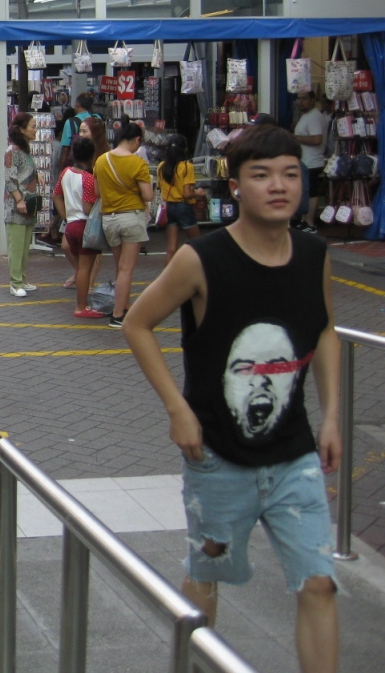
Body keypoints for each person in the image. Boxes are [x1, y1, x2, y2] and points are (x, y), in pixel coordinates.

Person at [123, 126, 340, 673]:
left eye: (290, 174)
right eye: (261, 175)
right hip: (216, 456)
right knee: (206, 581)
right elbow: (137, 323)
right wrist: (177, 409)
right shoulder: (202, 259)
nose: (279, 186)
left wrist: (333, 414)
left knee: (319, 582)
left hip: (294, 455)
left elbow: (326, 329)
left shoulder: (314, 254)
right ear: (236, 186)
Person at [94, 121, 153, 329]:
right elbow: (148, 195)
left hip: (109, 219)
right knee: (127, 269)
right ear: (136, 140)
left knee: (120, 267)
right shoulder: (138, 163)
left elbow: (97, 192)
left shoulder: (101, 160)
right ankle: (118, 315)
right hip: (131, 218)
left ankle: (125, 305)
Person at [53, 136, 103, 317]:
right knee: (84, 269)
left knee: (81, 267)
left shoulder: (65, 172)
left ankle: (82, 305)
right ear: (92, 156)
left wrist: (66, 216)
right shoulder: (88, 178)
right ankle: (81, 306)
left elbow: (56, 195)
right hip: (85, 226)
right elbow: (88, 208)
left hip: (71, 225)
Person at [5, 113, 40, 297]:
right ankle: (15, 282)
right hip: (16, 206)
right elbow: (9, 179)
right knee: (17, 246)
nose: (35, 130)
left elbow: (23, 172)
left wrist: (36, 175)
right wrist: (18, 200)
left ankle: (22, 279)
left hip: (28, 203)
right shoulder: (12, 151)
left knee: (25, 246)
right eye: (32, 126)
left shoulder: (25, 150)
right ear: (22, 129)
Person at [158, 133, 201, 264]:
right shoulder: (187, 167)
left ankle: (167, 275)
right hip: (183, 206)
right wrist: (198, 193)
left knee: (171, 248)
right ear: (185, 149)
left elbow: (160, 187)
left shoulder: (161, 166)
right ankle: (202, 271)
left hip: (169, 207)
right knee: (198, 244)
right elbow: (187, 193)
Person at [293, 90, 329, 233]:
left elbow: (317, 139)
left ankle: (309, 222)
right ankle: (304, 220)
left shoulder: (314, 116)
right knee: (305, 192)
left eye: (304, 98)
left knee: (311, 192)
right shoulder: (307, 116)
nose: (300, 102)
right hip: (305, 161)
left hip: (312, 162)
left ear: (312, 100)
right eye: (298, 99)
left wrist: (296, 138)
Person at [59, 92, 100, 165]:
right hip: (96, 161)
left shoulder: (70, 123)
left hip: (78, 164)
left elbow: (65, 149)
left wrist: (62, 167)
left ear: (77, 104)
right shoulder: (97, 118)